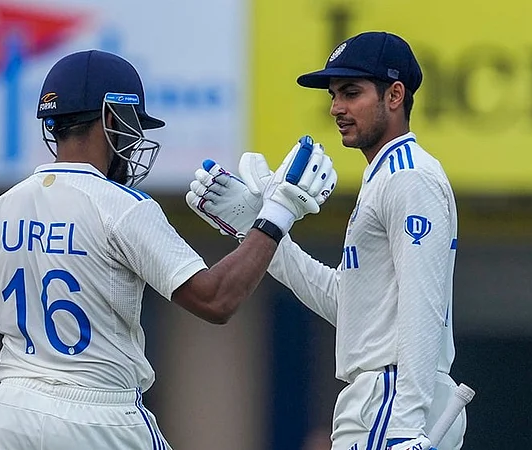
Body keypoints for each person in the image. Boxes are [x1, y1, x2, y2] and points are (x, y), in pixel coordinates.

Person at [0, 49, 337, 450]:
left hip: (10, 414)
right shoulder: (122, 207)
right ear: (110, 117)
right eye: (132, 124)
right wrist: (278, 214)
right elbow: (217, 299)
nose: (135, 139)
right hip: (101, 416)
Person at [186, 32, 465, 450]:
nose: (336, 108)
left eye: (351, 93)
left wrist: (405, 425)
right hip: (382, 397)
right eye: (334, 95)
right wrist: (261, 229)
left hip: (393, 400)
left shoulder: (408, 176)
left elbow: (421, 304)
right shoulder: (386, 174)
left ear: (395, 95)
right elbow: (351, 307)